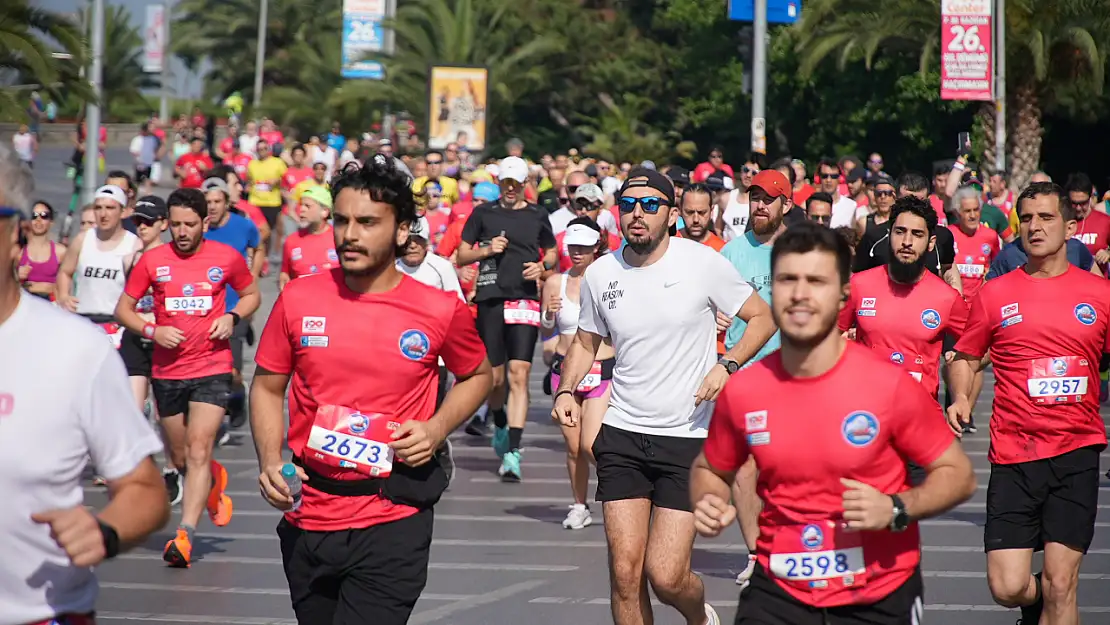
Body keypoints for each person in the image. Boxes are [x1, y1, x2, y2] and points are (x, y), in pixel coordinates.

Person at [690, 222, 977, 625]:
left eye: (816, 281)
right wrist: (708, 498)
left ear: (844, 292)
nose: (801, 294)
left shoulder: (887, 384)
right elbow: (709, 467)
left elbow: (958, 475)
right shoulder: (747, 389)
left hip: (877, 592)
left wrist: (896, 508)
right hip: (780, 589)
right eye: (788, 279)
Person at [250, 155, 493, 625]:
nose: (349, 234)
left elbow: (480, 375)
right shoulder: (300, 297)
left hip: (392, 514)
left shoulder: (439, 309)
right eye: (341, 221)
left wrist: (436, 428)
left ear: (402, 230)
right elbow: (266, 386)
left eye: (367, 222)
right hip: (309, 515)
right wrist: (267, 460)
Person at [552, 168, 776, 625]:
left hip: (688, 438)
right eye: (629, 205)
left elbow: (762, 318)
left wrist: (726, 364)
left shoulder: (701, 262)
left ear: (670, 214)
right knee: (624, 574)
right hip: (622, 434)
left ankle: (699, 617)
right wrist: (568, 390)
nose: (638, 213)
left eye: (650, 205)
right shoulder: (600, 273)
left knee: (667, 576)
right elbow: (585, 341)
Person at [0, 143, 169, 625]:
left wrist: (105, 530)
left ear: (15, 233)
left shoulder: (74, 351)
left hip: (40, 614)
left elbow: (143, 488)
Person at [948, 182, 1110, 625]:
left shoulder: (1100, 295)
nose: (1035, 228)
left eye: (1047, 217)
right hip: (1015, 453)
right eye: (1028, 219)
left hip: (1077, 451)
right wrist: (961, 395)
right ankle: (1035, 604)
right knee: (1008, 586)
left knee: (1063, 583)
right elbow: (966, 356)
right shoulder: (995, 294)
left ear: (1071, 226)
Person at [115, 188, 260, 568]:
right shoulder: (153, 261)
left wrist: (231, 318)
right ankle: (211, 481)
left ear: (204, 223)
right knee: (180, 456)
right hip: (166, 370)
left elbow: (251, 295)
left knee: (198, 447)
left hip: (211, 367)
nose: (181, 232)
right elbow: (124, 310)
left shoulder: (225, 258)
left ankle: (185, 535)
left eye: (189, 225)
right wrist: (152, 332)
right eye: (175, 224)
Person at [458, 156, 557, 481]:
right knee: (496, 379)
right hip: (491, 300)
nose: (511, 189)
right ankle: (499, 420)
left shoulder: (537, 214)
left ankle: (513, 450)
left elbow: (552, 252)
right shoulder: (484, 213)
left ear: (525, 184)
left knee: (519, 373)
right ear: (500, 184)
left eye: (516, 184)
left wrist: (543, 268)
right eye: (506, 184)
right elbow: (462, 254)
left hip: (525, 299)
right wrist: (487, 250)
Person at [717, 169, 791, 588]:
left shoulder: (799, 251)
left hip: (793, 376)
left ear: (786, 205)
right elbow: (708, 306)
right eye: (754, 198)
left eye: (769, 199)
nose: (760, 205)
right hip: (743, 373)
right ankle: (757, 554)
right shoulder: (730, 254)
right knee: (744, 469)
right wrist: (717, 316)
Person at [541, 218, 615, 530]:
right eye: (573, 247)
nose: (578, 253)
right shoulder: (554, 283)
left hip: (601, 370)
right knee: (573, 448)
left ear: (596, 246)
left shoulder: (609, 277)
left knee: (591, 445)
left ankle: (622, 496)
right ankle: (579, 505)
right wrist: (548, 315)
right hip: (566, 372)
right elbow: (547, 331)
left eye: (584, 247)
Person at [202, 177, 264, 430]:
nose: (213, 207)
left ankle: (237, 396)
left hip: (235, 306)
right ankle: (213, 419)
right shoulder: (199, 228)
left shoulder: (243, 226)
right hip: (205, 308)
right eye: (208, 202)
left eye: (217, 201)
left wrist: (254, 276)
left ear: (227, 203)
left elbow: (258, 246)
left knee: (233, 372)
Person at [55, 184, 142, 344]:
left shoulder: (134, 244)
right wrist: (63, 296)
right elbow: (65, 272)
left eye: (110, 208)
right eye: (98, 207)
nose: (103, 214)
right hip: (83, 320)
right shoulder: (82, 239)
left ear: (122, 212)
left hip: (116, 325)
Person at [280, 185, 338, 288]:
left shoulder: (339, 238)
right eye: (301, 205)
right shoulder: (292, 241)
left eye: (307, 206)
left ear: (324, 211)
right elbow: (285, 276)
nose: (301, 209)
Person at [17, 200, 65, 299]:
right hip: (25, 303)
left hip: (51, 305)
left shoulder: (60, 252)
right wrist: (16, 276)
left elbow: (68, 282)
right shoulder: (18, 252)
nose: (38, 219)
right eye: (34, 216)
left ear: (51, 222)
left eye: (44, 216)